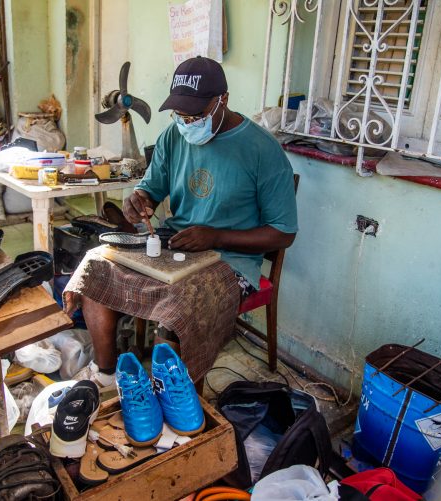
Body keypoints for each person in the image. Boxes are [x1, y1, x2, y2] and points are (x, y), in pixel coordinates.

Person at [66, 56, 298, 391]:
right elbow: (151, 187)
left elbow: (284, 233)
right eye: (180, 115)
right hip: (175, 241)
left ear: (223, 101)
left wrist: (216, 235)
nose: (187, 123)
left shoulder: (262, 150)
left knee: (180, 310)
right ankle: (105, 374)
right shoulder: (173, 137)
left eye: (196, 116)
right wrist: (140, 199)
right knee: (98, 266)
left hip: (230, 260)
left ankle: (175, 401)